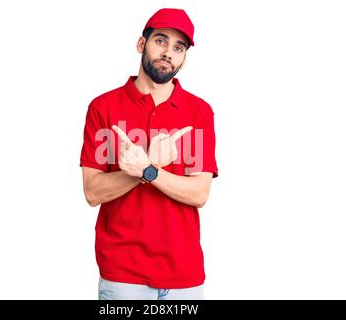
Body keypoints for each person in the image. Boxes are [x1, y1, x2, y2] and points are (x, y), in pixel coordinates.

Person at [79, 8, 218, 300]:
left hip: (185, 275)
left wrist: (147, 169)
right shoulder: (103, 108)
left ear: (183, 58)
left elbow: (199, 194)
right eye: (161, 41)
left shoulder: (199, 113)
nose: (168, 52)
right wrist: (146, 168)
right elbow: (92, 191)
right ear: (142, 44)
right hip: (122, 274)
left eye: (178, 48)